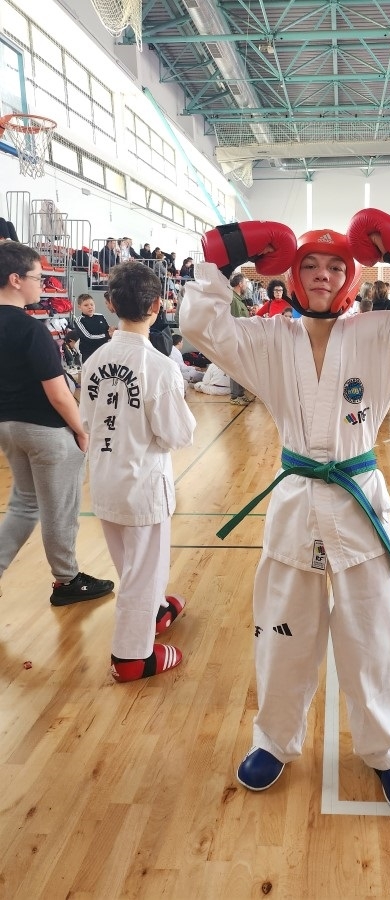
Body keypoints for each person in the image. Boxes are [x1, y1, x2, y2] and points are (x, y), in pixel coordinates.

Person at [181, 209, 390, 814]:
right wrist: (220, 254)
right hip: (296, 500)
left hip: (359, 500)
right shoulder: (269, 339)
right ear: (292, 276)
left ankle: (386, 749)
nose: (322, 275)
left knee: (375, 635)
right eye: (310, 265)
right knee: (283, 632)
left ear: (351, 276)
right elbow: (201, 323)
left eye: (335, 266)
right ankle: (274, 739)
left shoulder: (380, 335)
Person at [79, 261, 196, 682]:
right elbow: (178, 434)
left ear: (110, 304)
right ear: (158, 305)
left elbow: (87, 422)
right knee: (144, 571)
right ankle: (131, 656)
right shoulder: (160, 367)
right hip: (143, 485)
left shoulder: (94, 361)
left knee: (130, 562)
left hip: (105, 480)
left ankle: (156, 610)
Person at [0, 241, 114, 604]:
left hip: (8, 427)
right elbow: (59, 393)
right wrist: (81, 429)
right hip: (46, 431)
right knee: (60, 508)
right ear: (15, 279)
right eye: (37, 277)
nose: (41, 284)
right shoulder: (31, 329)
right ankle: (67, 580)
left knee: (25, 504)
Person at [229, 273, 256, 406]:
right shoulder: (233, 300)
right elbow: (234, 321)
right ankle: (235, 396)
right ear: (240, 284)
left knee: (241, 368)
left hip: (242, 338)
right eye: (245, 283)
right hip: (236, 339)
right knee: (236, 368)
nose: (246, 285)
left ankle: (240, 393)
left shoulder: (239, 299)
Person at [73, 292, 112, 363]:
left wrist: (112, 331)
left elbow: (107, 330)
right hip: (88, 355)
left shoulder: (100, 316)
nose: (90, 307)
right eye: (86, 305)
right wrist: (107, 335)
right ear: (79, 307)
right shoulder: (79, 320)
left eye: (92, 304)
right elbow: (88, 337)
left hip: (103, 352)